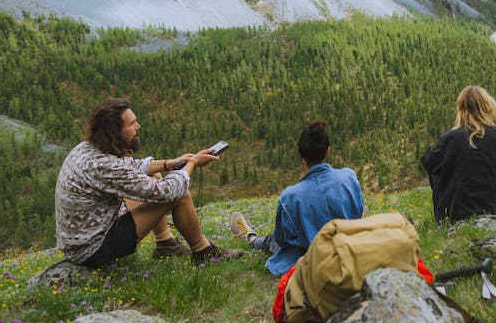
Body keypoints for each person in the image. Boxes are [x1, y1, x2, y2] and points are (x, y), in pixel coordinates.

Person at [55, 98, 243, 267]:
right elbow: (168, 191)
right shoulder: (103, 165)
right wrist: (193, 163)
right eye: (132, 123)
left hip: (84, 236)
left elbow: (130, 167)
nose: (138, 126)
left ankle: (165, 243)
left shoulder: (88, 149)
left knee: (155, 175)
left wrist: (169, 164)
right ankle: (204, 252)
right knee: (180, 194)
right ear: (115, 132)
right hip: (92, 249)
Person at [230, 121, 365, 276]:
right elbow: (358, 209)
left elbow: (283, 240)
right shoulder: (349, 176)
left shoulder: (290, 197)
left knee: (276, 240)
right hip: (345, 248)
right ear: (327, 151)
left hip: (310, 258)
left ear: (302, 157)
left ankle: (251, 238)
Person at [422, 85, 496, 223]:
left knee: (437, 165)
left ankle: (444, 212)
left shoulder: (450, 137)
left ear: (461, 108)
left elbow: (428, 162)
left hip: (456, 213)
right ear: (487, 107)